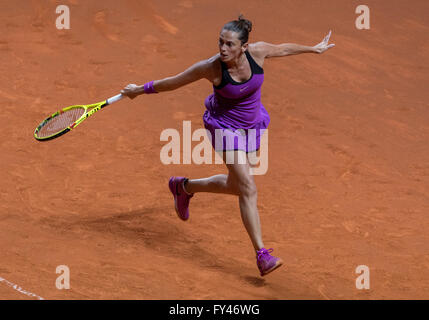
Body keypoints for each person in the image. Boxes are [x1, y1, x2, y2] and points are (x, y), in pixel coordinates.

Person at [121, 15, 335, 276]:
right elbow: (174, 82)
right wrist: (139, 89)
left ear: (244, 46)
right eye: (221, 42)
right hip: (224, 126)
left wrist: (314, 48)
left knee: (236, 186)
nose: (223, 49)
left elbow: (284, 48)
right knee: (248, 187)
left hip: (252, 125)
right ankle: (262, 255)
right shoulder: (211, 67)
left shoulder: (258, 52)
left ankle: (183, 187)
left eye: (230, 44)